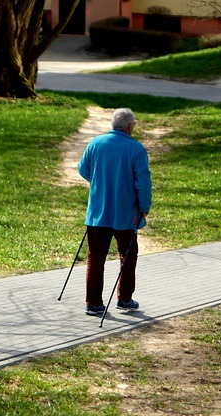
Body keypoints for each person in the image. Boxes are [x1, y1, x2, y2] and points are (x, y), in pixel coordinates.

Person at [78, 108, 152, 316]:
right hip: (126, 214)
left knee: (95, 257)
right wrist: (144, 208)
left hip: (97, 213)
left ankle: (93, 303)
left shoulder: (95, 143)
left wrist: (100, 182)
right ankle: (124, 299)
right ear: (130, 126)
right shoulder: (136, 149)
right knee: (128, 256)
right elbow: (143, 184)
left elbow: (83, 169)